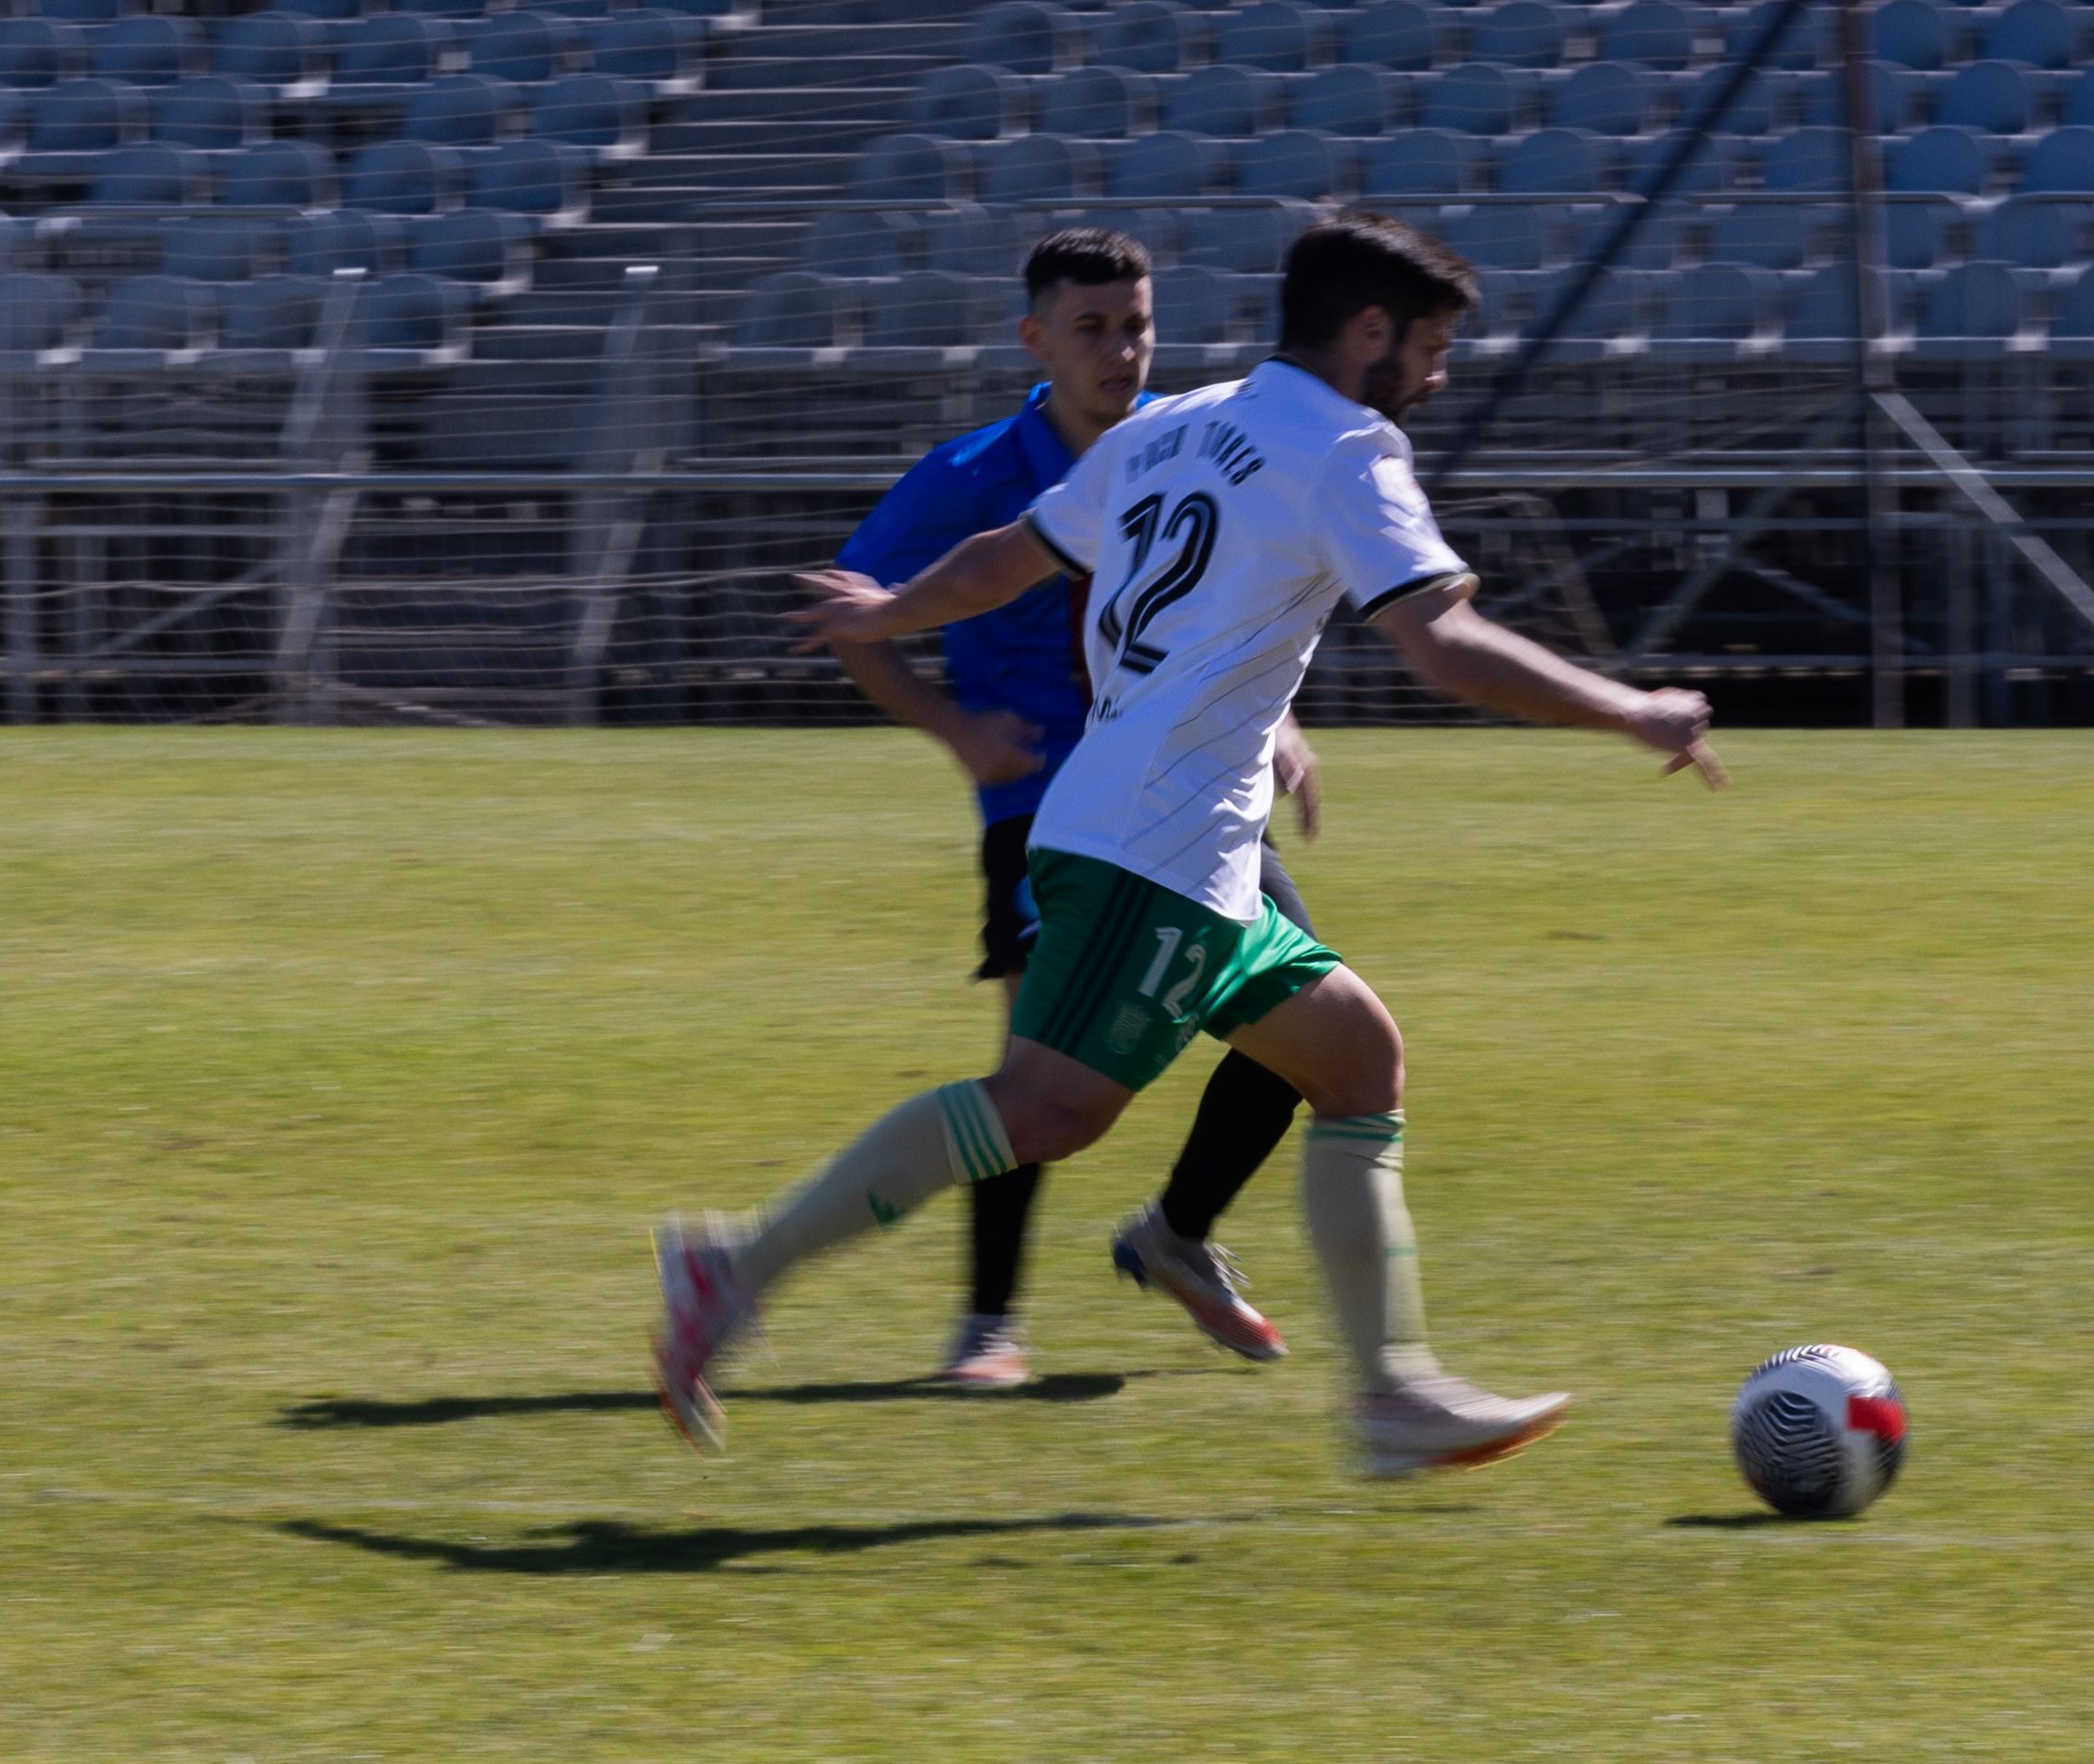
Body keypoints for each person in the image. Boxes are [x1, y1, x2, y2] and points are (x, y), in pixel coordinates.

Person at [653, 213, 1722, 1477]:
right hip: (1150, 846)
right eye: (1427, 347)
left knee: (1355, 1058)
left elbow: (1010, 556)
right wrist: (1627, 708)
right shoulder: (1344, 449)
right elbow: (1443, 646)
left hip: (1167, 835)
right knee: (1042, 1110)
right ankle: (737, 1265)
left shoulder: (1171, 425)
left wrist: (894, 607)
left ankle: (1388, 1395)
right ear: (1367, 331)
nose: (1434, 377)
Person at [822, 226, 1316, 1389]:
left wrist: (1278, 724)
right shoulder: (972, 477)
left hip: (1194, 804)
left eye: (1136, 325)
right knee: (1029, 1087)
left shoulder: (1191, 449)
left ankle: (1177, 1233)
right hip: (1047, 817)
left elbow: (1229, 615)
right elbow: (856, 609)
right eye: (1091, 328)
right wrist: (954, 731)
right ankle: (986, 1327)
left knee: (1311, 1034)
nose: (1121, 350)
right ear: (1034, 339)